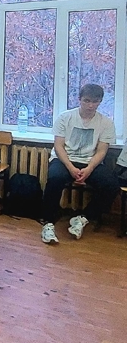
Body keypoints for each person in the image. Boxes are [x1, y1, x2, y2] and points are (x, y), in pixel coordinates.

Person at [41, 84, 119, 244]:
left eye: (95, 101)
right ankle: (48, 222)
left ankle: (83, 218)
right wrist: (70, 168)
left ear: (100, 101)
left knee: (111, 185)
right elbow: (58, 146)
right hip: (64, 160)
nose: (90, 105)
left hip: (90, 161)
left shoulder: (106, 123)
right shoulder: (65, 117)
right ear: (79, 99)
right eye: (87, 101)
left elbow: (102, 151)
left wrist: (89, 169)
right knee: (55, 178)